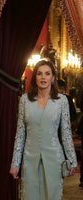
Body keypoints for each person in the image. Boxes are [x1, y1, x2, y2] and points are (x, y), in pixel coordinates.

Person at [10, 59, 77, 200]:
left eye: (47, 74)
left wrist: (72, 160)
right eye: (39, 74)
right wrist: (15, 163)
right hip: (29, 160)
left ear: (53, 78)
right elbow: (20, 134)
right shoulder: (24, 100)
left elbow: (66, 133)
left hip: (54, 159)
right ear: (35, 77)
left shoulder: (62, 101)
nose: (43, 77)